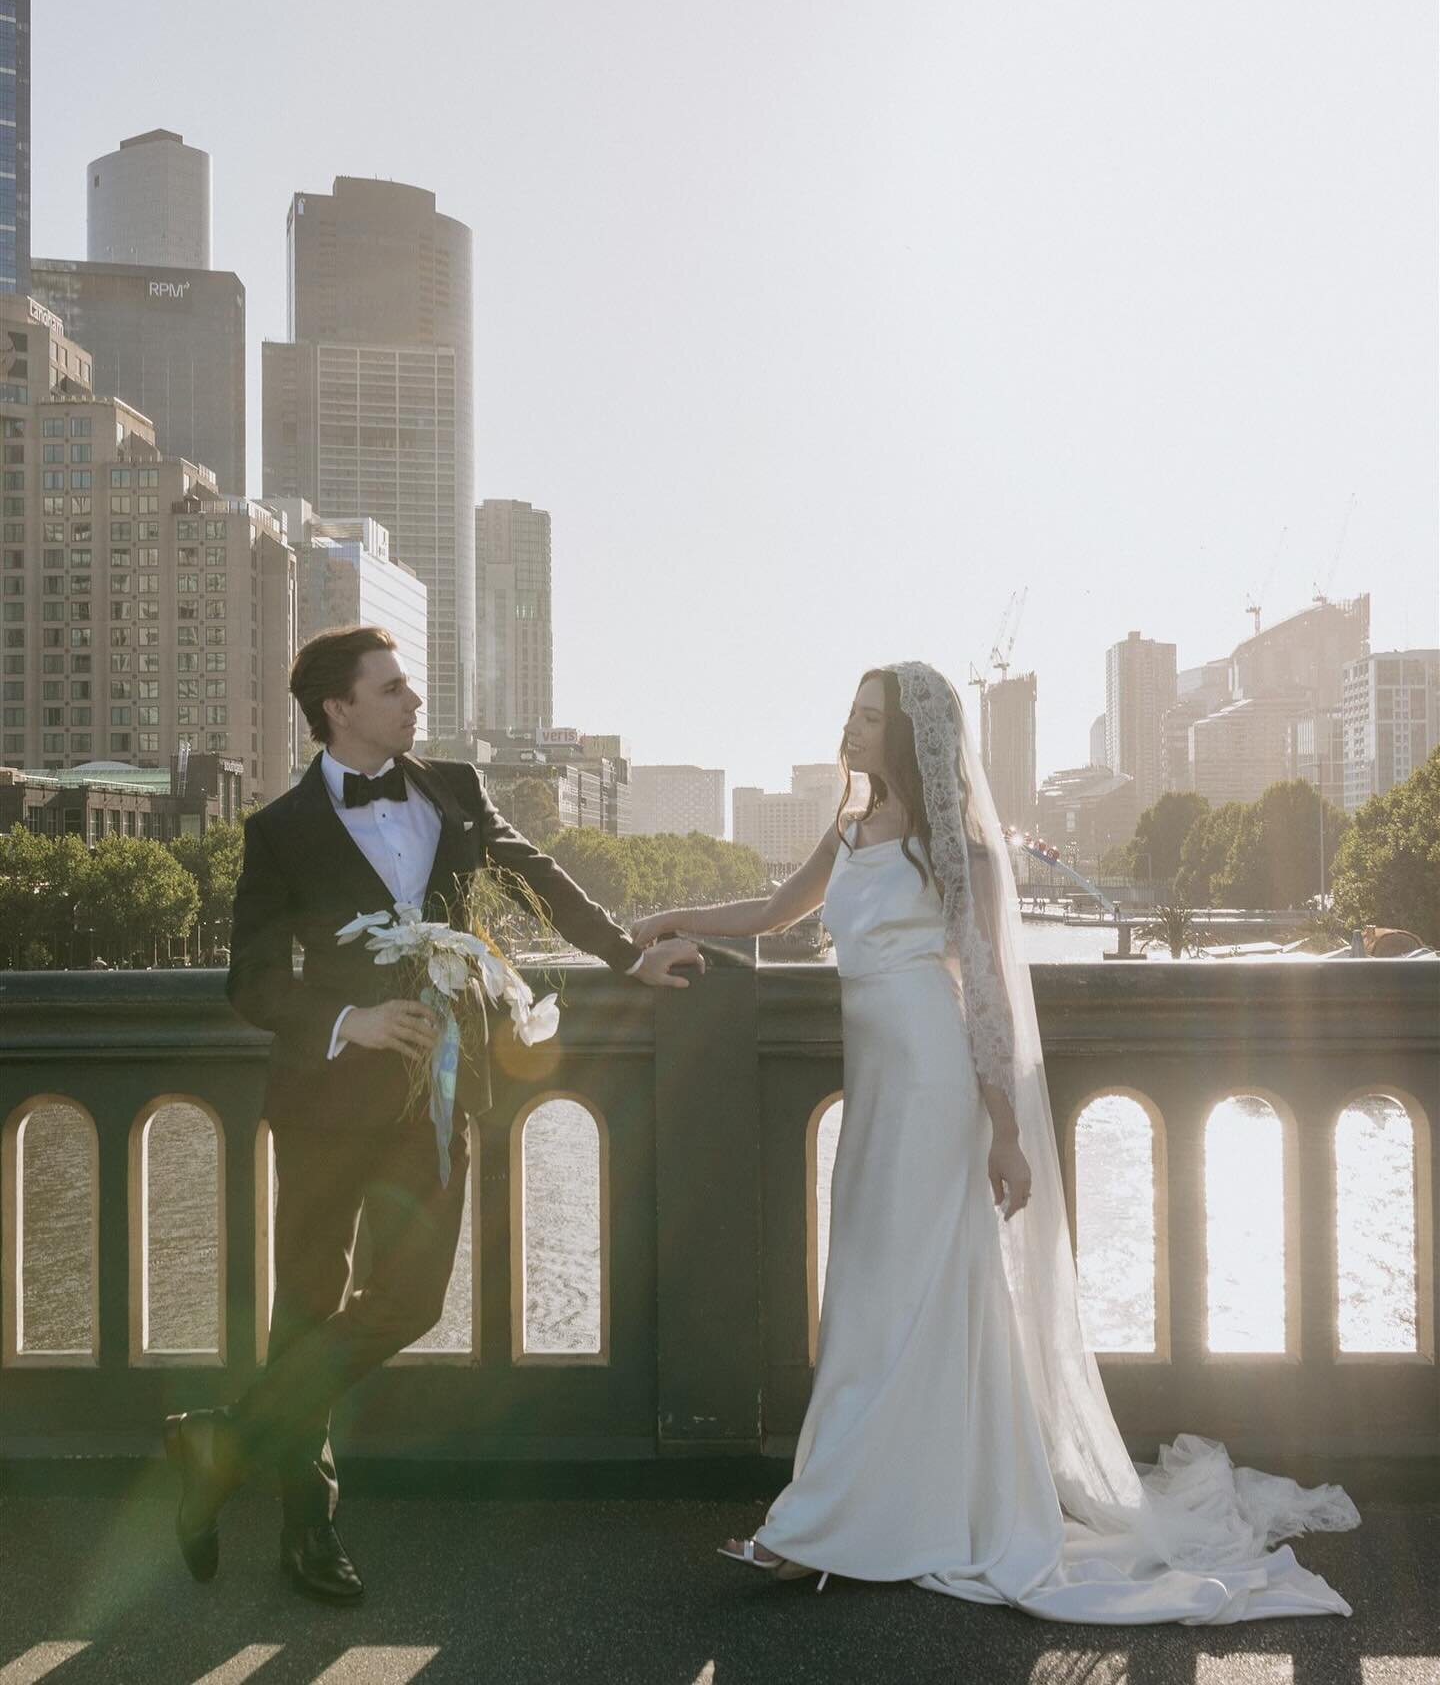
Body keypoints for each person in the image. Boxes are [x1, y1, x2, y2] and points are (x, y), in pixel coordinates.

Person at [631, 662, 1359, 1623]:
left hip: (936, 1086)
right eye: (850, 712)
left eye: (868, 717)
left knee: (906, 1290)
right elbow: (772, 913)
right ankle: (885, 1507)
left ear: (909, 736)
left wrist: (1007, 1132)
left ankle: (814, 1528)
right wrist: (668, 917)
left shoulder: (960, 852)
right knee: (870, 1287)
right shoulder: (846, 828)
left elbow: (982, 1000)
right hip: (879, 1089)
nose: (849, 729)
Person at [164, 624, 702, 1603]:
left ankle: (224, 1442)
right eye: (395, 688)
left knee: (409, 1300)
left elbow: (539, 876)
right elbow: (248, 979)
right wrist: (347, 1019)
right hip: (326, 1099)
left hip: (442, 1090)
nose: (415, 703)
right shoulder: (276, 829)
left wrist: (627, 954)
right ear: (341, 708)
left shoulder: (454, 786)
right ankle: (307, 1530)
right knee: (307, 1314)